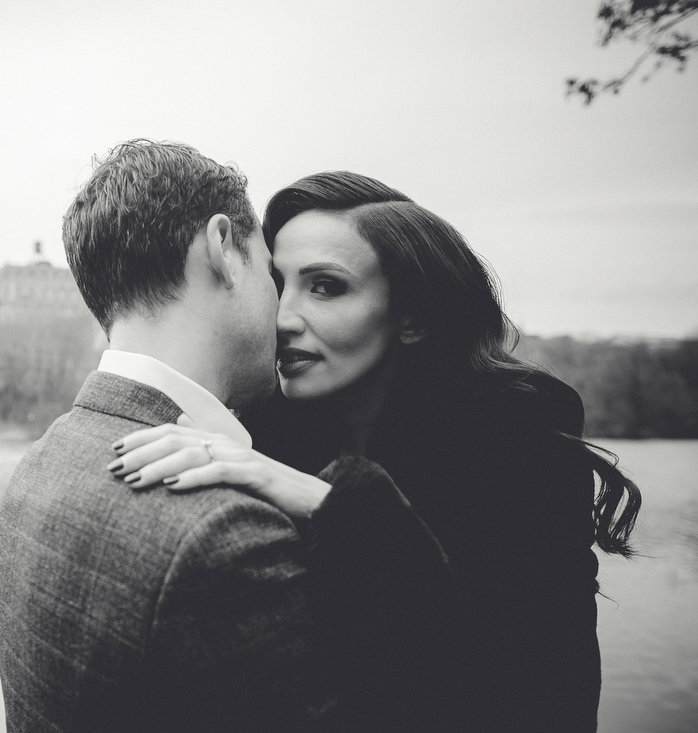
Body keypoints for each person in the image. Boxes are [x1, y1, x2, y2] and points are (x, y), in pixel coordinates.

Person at [111, 171, 642, 733]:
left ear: (411, 317)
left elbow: (540, 697)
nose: (284, 318)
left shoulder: (518, 449)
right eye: (277, 283)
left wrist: (330, 504)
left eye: (325, 287)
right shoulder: (259, 432)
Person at [0, 145, 453, 732]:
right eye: (270, 273)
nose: (282, 313)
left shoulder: (45, 458)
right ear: (223, 250)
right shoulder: (223, 534)